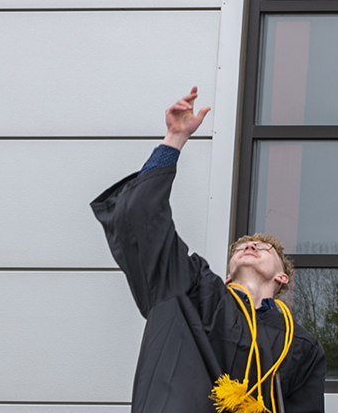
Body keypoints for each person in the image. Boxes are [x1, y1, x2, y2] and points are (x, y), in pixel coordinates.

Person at [92, 87, 324, 412]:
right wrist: (174, 138)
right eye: (242, 245)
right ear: (227, 276)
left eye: (264, 248)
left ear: (282, 277)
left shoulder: (301, 345)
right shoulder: (193, 291)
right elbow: (142, 216)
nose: (252, 244)